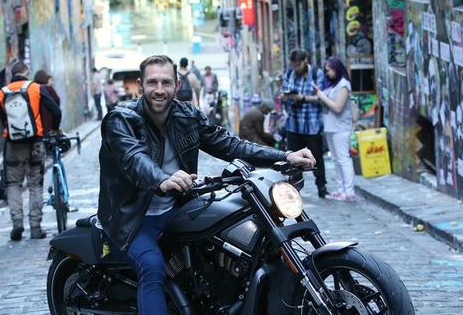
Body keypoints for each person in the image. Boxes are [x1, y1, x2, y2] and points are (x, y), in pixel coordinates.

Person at [98, 55, 316, 315]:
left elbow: (229, 144)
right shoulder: (121, 119)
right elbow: (134, 159)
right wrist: (162, 179)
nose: (159, 89)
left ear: (177, 86)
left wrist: (285, 156)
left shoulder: (186, 115)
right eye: (152, 82)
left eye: (166, 82)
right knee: (152, 266)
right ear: (140, 85)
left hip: (178, 206)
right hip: (132, 218)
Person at [0, 61, 62, 241]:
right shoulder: (36, 88)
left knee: (14, 184)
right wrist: (54, 129)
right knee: (35, 184)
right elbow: (56, 111)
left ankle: (17, 223)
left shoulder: (2, 92)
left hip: (12, 145)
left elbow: (2, 120)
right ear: (26, 72)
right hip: (35, 143)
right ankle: (35, 226)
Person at [281, 48, 329, 198]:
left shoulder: (316, 74)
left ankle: (321, 186)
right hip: (294, 124)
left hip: (312, 124)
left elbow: (322, 99)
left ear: (305, 61)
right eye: (293, 65)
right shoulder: (289, 74)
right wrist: (287, 97)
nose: (295, 68)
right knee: (292, 159)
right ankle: (294, 190)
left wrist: (302, 98)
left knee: (317, 158)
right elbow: (283, 95)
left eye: (298, 65)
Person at [313, 57, 355, 201]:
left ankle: (349, 192)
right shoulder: (332, 85)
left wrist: (321, 96)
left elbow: (338, 107)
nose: (327, 73)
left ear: (336, 68)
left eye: (329, 70)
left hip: (341, 128)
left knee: (343, 159)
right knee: (337, 160)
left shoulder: (344, 85)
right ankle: (340, 189)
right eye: (326, 71)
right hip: (331, 127)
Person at [34, 69, 61, 134]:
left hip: (36, 126)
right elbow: (57, 102)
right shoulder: (49, 89)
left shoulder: (33, 89)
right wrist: (55, 127)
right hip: (49, 124)